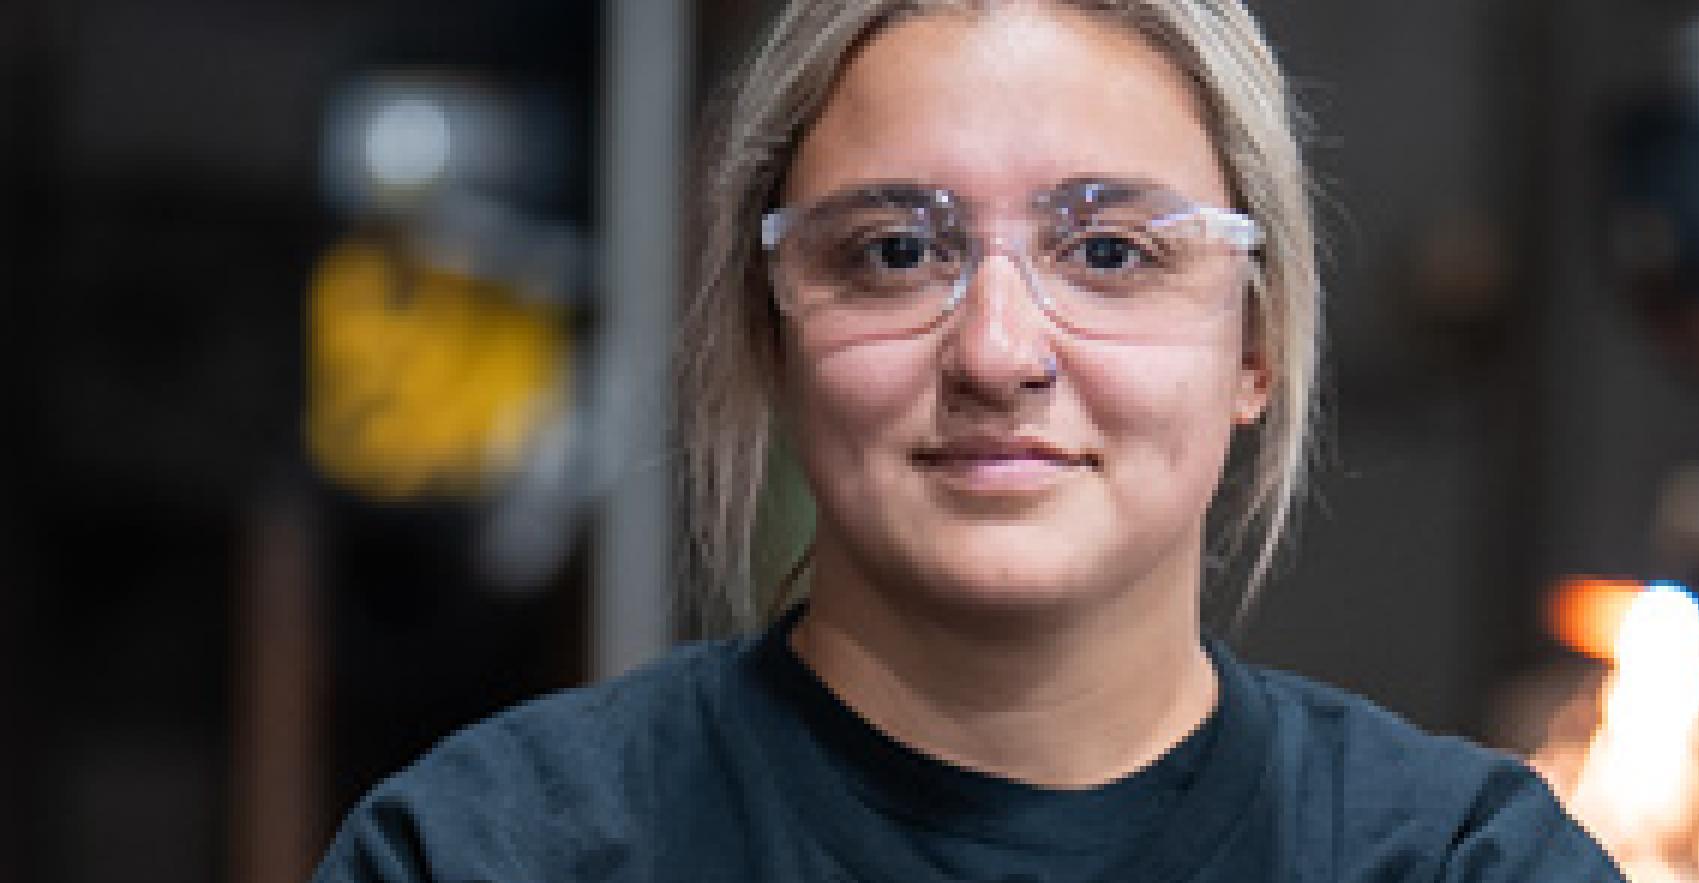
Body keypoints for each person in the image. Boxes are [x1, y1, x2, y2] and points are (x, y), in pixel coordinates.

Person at [313, 1, 1626, 880]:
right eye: (895, 251)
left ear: (1256, 345)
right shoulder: (494, 856)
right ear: (771, 335)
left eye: (1110, 252)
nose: (998, 352)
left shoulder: (1460, 866)